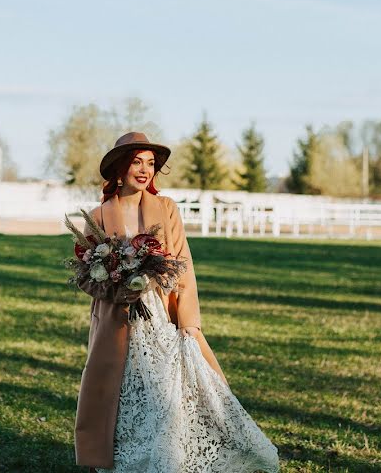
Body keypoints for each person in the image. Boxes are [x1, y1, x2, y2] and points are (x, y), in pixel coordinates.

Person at [74, 131, 280, 472]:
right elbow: (86, 274)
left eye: (150, 164)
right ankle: (124, 459)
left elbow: (183, 266)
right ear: (119, 168)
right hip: (117, 322)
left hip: (161, 317)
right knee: (124, 393)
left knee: (169, 390)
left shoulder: (166, 209)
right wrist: (116, 286)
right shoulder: (97, 216)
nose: (144, 170)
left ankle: (172, 455)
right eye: (136, 162)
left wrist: (189, 322)